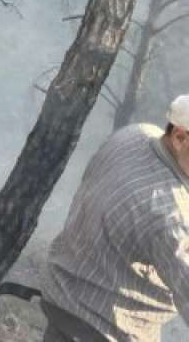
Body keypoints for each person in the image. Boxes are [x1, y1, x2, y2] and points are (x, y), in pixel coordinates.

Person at [40, 95, 189, 342]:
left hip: (62, 295)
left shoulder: (134, 135)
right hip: (105, 327)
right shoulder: (167, 216)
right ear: (180, 137)